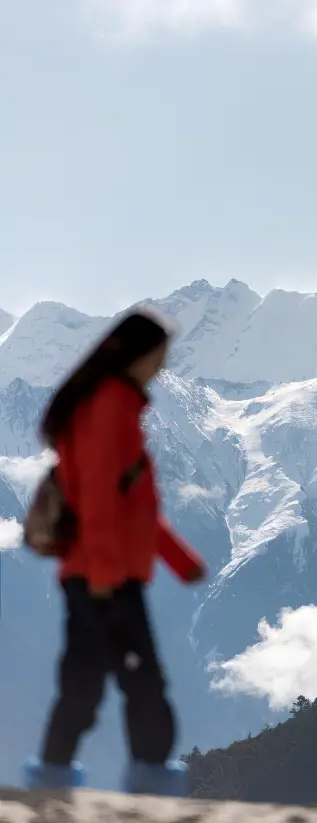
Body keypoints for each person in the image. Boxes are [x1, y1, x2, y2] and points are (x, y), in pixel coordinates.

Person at [23, 307, 207, 796]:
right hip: (109, 576)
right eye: (159, 354)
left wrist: (181, 561)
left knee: (84, 683)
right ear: (137, 353)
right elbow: (103, 499)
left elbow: (133, 507)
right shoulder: (111, 408)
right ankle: (150, 781)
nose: (163, 366)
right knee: (142, 681)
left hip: (93, 573)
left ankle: (52, 776)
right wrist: (107, 575)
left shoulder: (109, 404)